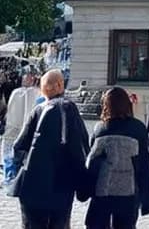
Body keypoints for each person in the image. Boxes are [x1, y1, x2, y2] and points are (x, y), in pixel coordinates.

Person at [10, 69, 89, 229]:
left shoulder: (37, 110)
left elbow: (18, 146)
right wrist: (82, 180)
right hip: (60, 183)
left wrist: (24, 165)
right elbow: (80, 146)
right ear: (60, 85)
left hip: (31, 184)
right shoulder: (67, 108)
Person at [84, 87, 149, 229]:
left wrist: (84, 190)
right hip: (128, 192)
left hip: (102, 191)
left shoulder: (100, 129)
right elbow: (144, 165)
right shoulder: (138, 128)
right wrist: (147, 198)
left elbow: (92, 161)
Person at [3, 72, 42, 189]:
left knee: (10, 154)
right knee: (21, 155)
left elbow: (8, 109)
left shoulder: (17, 92)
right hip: (24, 128)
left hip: (14, 127)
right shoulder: (36, 93)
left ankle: (10, 178)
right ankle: (18, 179)